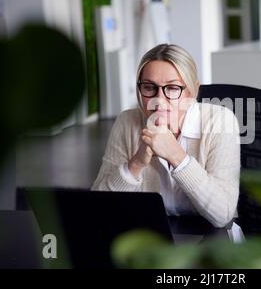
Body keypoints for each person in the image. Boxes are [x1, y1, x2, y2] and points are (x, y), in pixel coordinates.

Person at [92, 44, 241, 227]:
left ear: (192, 91)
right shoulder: (127, 122)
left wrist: (177, 156)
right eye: (149, 87)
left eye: (172, 88)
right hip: (148, 237)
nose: (159, 100)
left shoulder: (220, 120)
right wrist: (136, 164)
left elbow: (222, 214)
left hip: (210, 240)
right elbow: (98, 207)